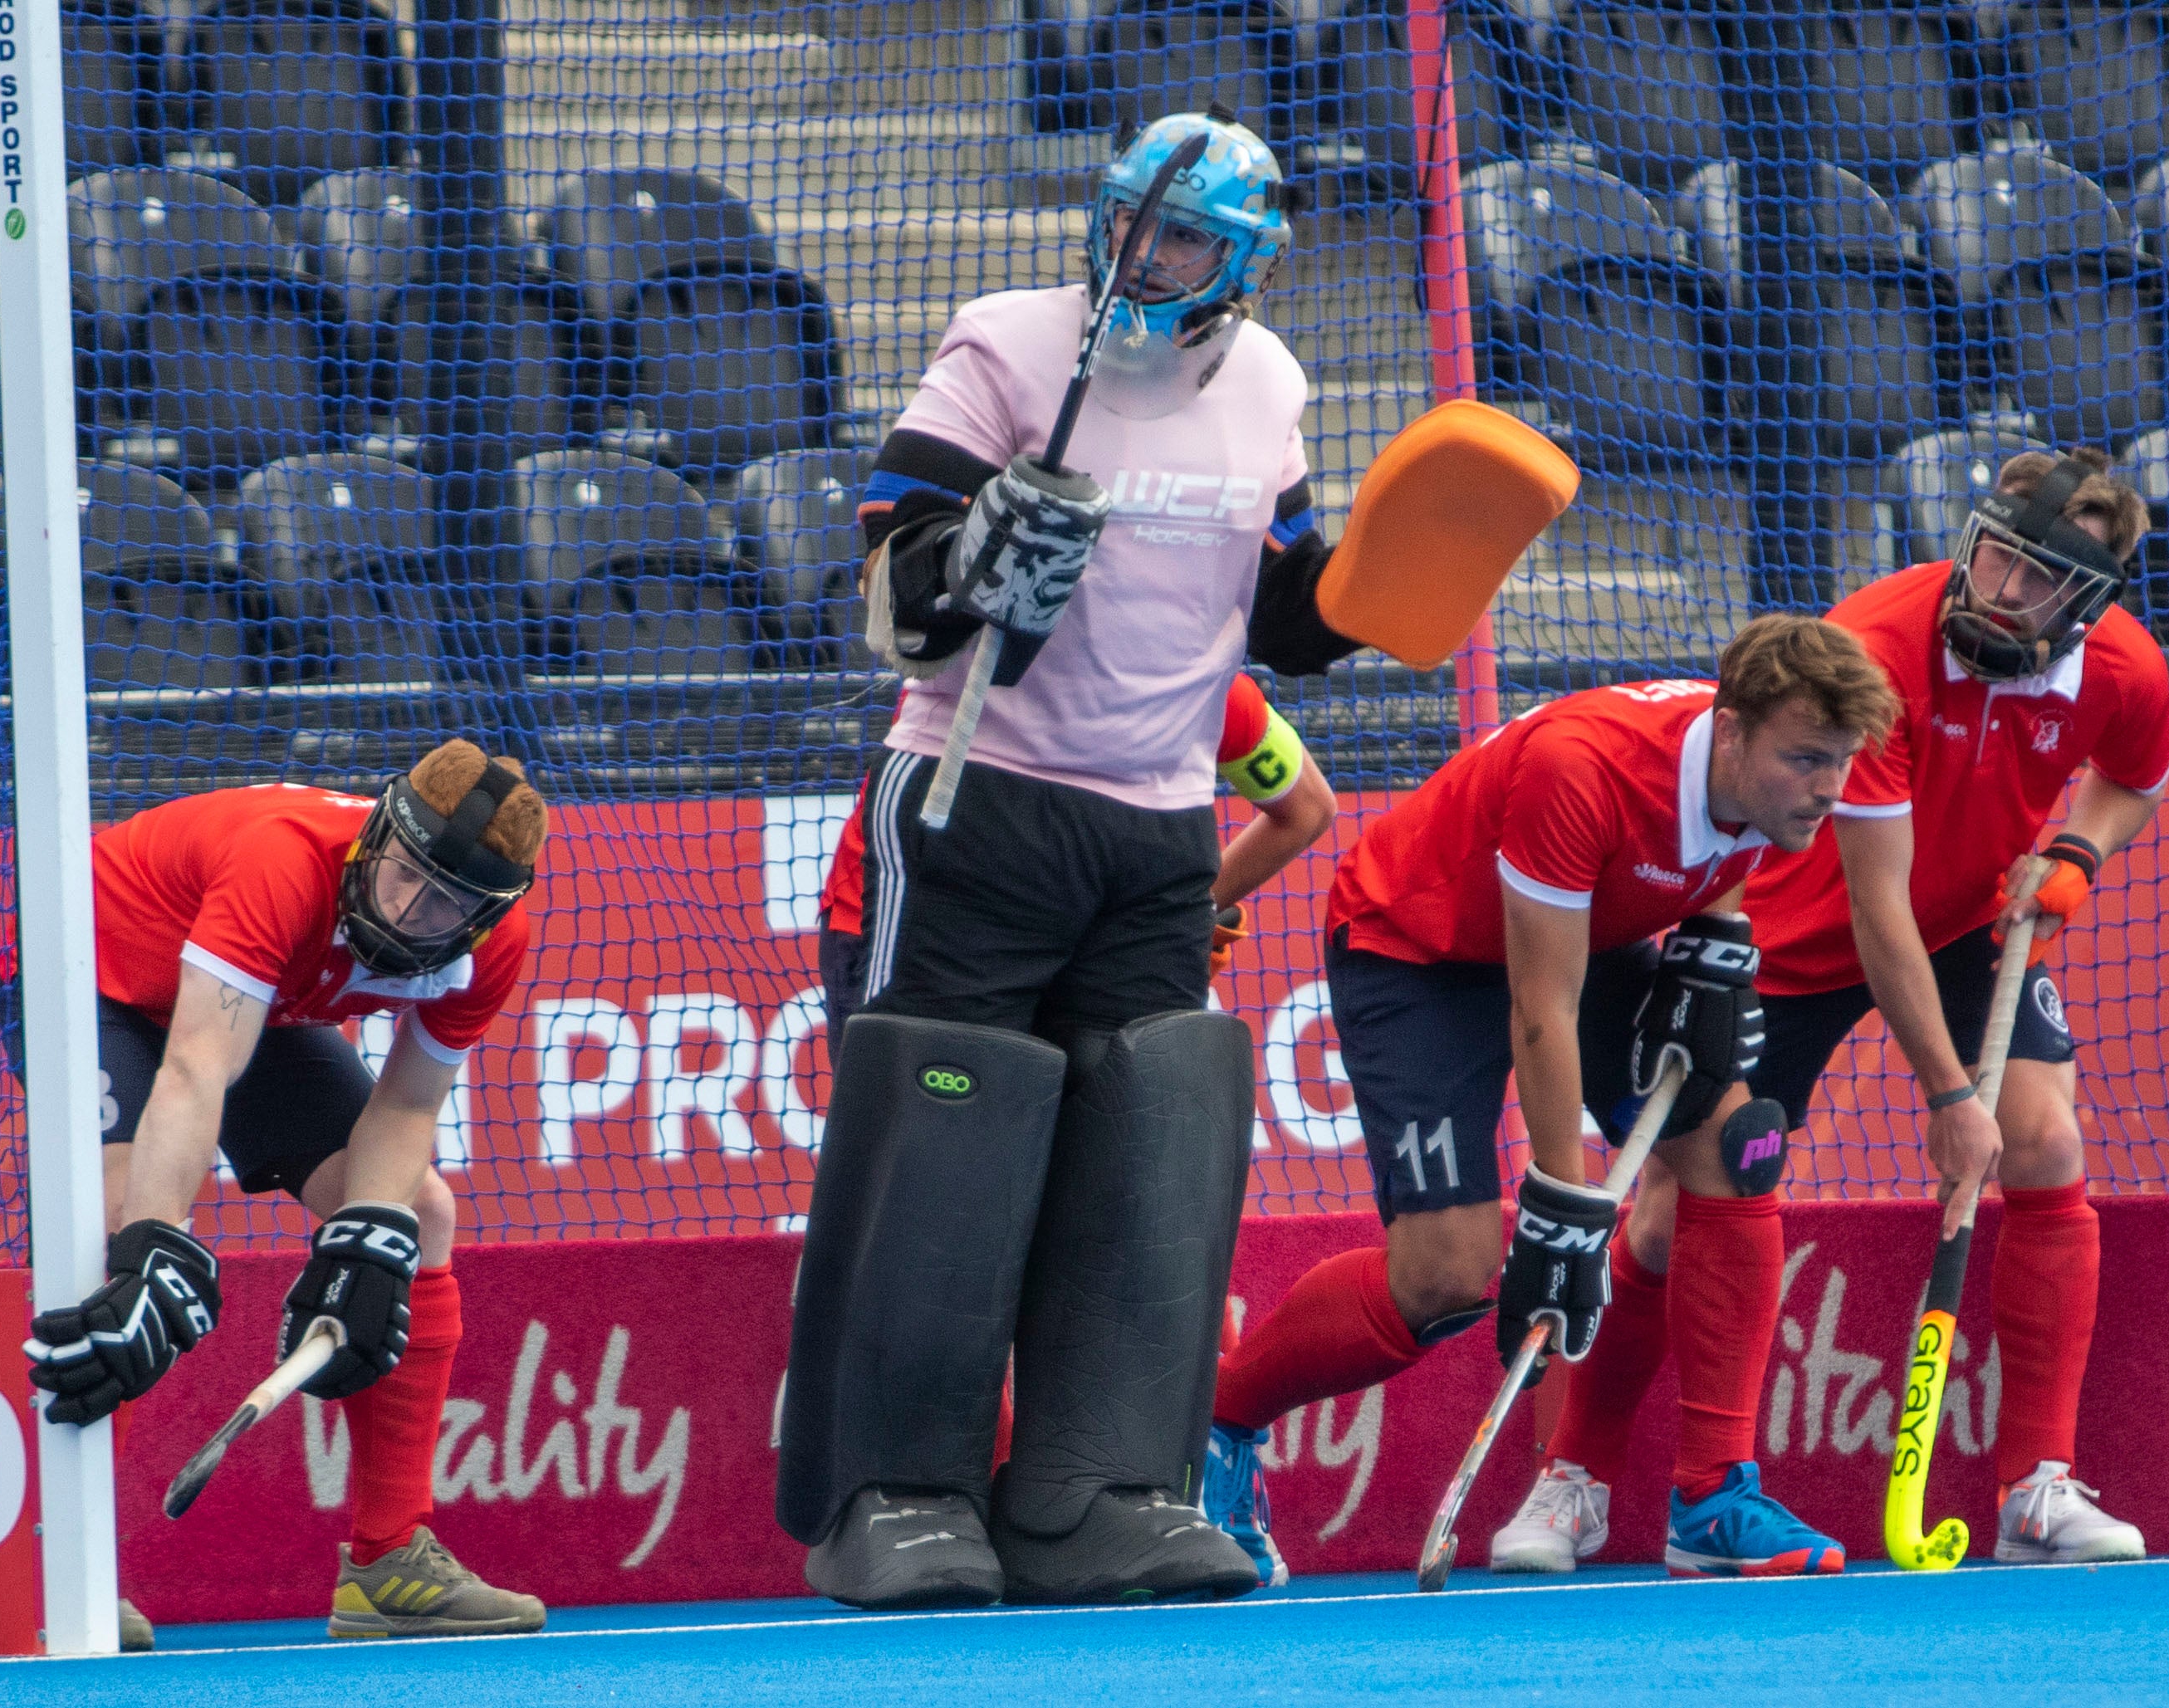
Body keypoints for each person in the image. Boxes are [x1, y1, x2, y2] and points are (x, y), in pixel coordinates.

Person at [776, 108, 1384, 1612]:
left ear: (1242, 260)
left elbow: (1284, 613)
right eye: (1127, 220)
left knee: (1141, 1146)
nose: (1139, 253)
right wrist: (974, 551)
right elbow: (891, 579)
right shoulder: (1004, 343)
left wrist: (1387, 580)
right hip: (974, 792)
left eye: (1177, 237)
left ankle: (1095, 1492)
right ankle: (892, 1493)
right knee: (937, 1138)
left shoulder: (1270, 382)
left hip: (1160, 825)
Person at [1196, 615, 1901, 1585]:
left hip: (1582, 930)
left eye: (1841, 760)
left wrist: (1711, 945)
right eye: (1807, 759)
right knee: (1446, 1275)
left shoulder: (1763, 781)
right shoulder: (1585, 768)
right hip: (1418, 944)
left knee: (1729, 1149)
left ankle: (1712, 1493)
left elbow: (1705, 871)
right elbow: (1542, 1009)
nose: (1829, 785)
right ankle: (1222, 1415)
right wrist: (1563, 1212)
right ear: (1732, 730)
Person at [1721, 449, 2169, 1565]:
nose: (2001, 590)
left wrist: (2075, 852)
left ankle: (2035, 1487)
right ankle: (1578, 1475)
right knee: (1695, 1192)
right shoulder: (1873, 645)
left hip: (1969, 922)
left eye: (2039, 579)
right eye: (1995, 557)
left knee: (2044, 1140)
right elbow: (1876, 911)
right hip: (1796, 934)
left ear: (2088, 602)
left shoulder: (2122, 668)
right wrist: (1946, 1097)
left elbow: (2134, 776)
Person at [16, 741, 552, 1640]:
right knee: (115, 1224)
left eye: (446, 904)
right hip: (94, 974)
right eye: (403, 875)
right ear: (377, 835)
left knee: (417, 1215)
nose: (410, 911)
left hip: (257, 998)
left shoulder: (491, 946)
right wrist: (153, 1242)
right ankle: (65, 1573)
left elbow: (408, 1102)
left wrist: (366, 1238)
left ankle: (389, 1560)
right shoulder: (282, 860)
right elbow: (196, 1065)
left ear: (485, 913)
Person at [815, 669, 1337, 1042]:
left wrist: (1174, 915)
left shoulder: (1206, 687)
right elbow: (1308, 809)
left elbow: (1308, 808)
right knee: (918, 1143)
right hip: (909, 924)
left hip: (1067, 950)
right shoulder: (986, 654)